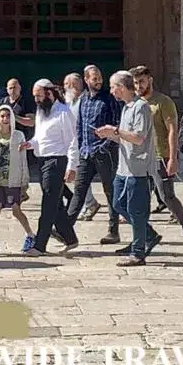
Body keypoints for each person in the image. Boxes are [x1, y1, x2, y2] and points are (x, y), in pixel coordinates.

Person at [96, 70, 160, 266]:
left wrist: (115, 130)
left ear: (122, 88)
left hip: (138, 169)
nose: (112, 91)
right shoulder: (126, 108)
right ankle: (147, 235)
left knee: (137, 209)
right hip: (124, 168)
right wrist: (110, 134)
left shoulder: (141, 107)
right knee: (118, 204)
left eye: (113, 86)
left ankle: (138, 251)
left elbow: (139, 137)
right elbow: (125, 136)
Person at [131, 65, 183, 247]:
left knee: (167, 196)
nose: (138, 86)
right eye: (135, 83)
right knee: (137, 200)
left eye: (141, 81)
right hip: (140, 159)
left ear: (149, 79)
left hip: (160, 156)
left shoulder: (163, 102)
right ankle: (141, 239)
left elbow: (172, 130)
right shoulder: (134, 103)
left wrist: (173, 158)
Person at [21, 79, 79, 256]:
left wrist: (72, 166)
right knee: (56, 205)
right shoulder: (41, 112)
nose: (36, 100)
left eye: (39, 95)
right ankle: (70, 239)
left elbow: (72, 141)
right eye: (34, 96)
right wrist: (28, 144)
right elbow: (40, 138)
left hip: (57, 162)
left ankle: (39, 245)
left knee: (48, 203)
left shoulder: (64, 112)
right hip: (42, 161)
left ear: (49, 93)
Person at [67, 64, 122, 245]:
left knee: (110, 191)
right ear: (86, 80)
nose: (98, 81)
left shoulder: (109, 99)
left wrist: (104, 145)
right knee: (79, 191)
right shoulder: (83, 99)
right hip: (86, 153)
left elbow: (116, 123)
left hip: (104, 152)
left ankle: (113, 231)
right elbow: (80, 126)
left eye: (99, 77)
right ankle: (66, 229)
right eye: (94, 78)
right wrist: (82, 148)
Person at [0, 104, 34, 256]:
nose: (5, 119)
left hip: (13, 180)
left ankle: (30, 235)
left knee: (16, 210)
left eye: (8, 116)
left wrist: (25, 182)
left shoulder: (18, 136)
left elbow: (23, 160)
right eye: (2, 116)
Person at [62, 73, 98, 219]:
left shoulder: (84, 100)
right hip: (70, 143)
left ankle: (88, 204)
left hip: (82, 144)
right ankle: (89, 203)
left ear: (74, 86)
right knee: (78, 177)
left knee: (81, 177)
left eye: (66, 84)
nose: (64, 87)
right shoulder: (68, 101)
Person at [7, 77, 36, 197]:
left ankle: (22, 192)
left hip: (22, 140)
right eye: (10, 88)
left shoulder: (27, 102)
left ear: (20, 89)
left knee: (21, 168)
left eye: (15, 87)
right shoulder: (3, 102)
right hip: (7, 140)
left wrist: (15, 117)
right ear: (7, 89)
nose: (13, 90)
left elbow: (31, 122)